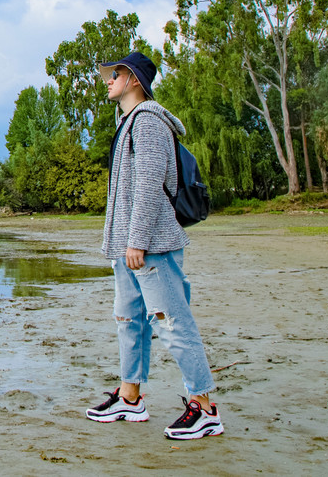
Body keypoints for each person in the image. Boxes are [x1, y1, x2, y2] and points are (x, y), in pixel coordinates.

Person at [84, 51, 223, 440]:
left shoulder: (148, 124)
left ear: (133, 80)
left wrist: (137, 241)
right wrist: (123, 244)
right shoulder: (127, 124)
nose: (107, 79)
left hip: (150, 246)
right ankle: (130, 397)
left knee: (174, 323)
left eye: (115, 73)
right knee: (128, 320)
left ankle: (206, 408)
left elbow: (147, 186)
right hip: (127, 248)